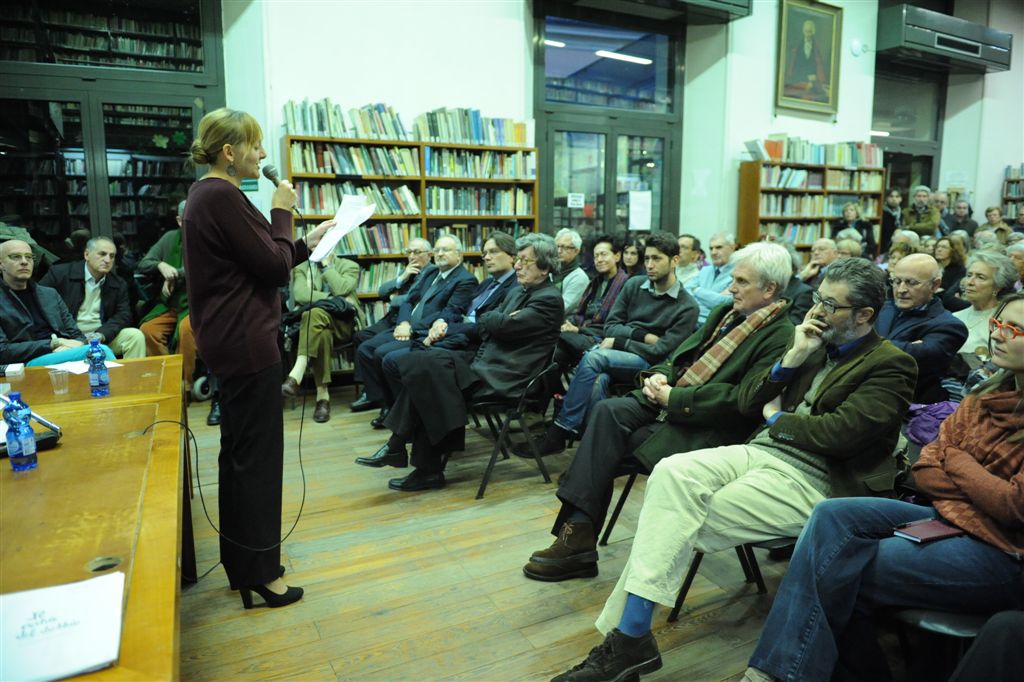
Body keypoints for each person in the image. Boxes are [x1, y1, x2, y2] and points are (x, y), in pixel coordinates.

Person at [549, 258, 917, 682]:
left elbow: (841, 435)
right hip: (762, 452)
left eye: (830, 305)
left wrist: (779, 420)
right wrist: (793, 357)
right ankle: (629, 641)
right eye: (816, 299)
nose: (816, 312)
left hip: (819, 482)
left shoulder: (892, 363)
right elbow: (751, 399)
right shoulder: (812, 342)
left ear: (864, 315)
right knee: (671, 473)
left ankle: (628, 641)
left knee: (670, 521)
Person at [742, 293, 1024, 682]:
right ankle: (784, 672)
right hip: (950, 517)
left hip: (1003, 551)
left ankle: (776, 674)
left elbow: (1012, 505)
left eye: (1015, 330)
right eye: (997, 323)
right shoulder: (984, 393)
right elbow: (923, 468)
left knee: (835, 568)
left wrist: (958, 463)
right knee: (830, 516)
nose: (999, 335)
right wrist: (972, 480)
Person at [522, 243, 795, 583]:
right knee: (606, 413)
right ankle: (577, 538)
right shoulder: (726, 313)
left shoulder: (781, 335)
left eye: (741, 281)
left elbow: (742, 400)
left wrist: (674, 396)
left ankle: (576, 541)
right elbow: (679, 355)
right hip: (672, 402)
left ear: (769, 289)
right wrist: (659, 375)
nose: (731, 287)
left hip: (705, 427)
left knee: (608, 443)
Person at [181, 107, 335, 609]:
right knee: (259, 465)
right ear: (230, 152)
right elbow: (271, 267)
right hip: (246, 343)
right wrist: (283, 209)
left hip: (230, 340)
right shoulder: (223, 195)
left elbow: (263, 259)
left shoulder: (206, 196)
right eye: (256, 146)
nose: (264, 155)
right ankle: (262, 575)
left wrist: (304, 244)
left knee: (241, 458)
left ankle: (244, 565)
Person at [355, 234, 564, 491]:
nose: (518, 266)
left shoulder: (549, 298)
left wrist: (498, 320)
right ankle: (402, 450)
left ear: (544, 267)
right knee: (422, 363)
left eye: (525, 261)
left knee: (430, 375)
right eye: (518, 260)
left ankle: (418, 462)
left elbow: (495, 323)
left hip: (506, 376)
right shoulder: (522, 291)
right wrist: (498, 320)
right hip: (484, 363)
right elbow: (491, 320)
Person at [523, 232, 699, 456]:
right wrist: (642, 335)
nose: (650, 265)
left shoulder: (687, 306)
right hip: (619, 355)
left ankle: (560, 429)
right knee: (597, 381)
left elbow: (661, 350)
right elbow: (610, 325)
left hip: (650, 365)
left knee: (594, 357)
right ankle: (591, 453)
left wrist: (621, 340)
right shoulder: (635, 285)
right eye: (647, 259)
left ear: (674, 260)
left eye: (657, 259)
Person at [366, 232, 519, 431]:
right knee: (380, 352)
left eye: (493, 252)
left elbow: (482, 326)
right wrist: (440, 322)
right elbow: (452, 310)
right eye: (485, 253)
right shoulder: (487, 283)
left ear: (512, 256)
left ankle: (414, 425)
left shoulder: (511, 288)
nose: (487, 257)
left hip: (470, 347)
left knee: (396, 360)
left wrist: (442, 327)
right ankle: (407, 422)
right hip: (448, 335)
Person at [351, 234, 477, 421]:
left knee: (381, 354)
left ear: (459, 255)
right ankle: (387, 404)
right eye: (437, 250)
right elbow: (408, 301)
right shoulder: (432, 273)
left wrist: (411, 328)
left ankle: (397, 411)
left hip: (424, 332)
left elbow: (449, 313)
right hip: (407, 325)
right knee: (366, 348)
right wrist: (403, 322)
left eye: (446, 250)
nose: (440, 253)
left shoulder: (465, 280)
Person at [0, 238, 115, 365]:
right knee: (99, 351)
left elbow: (77, 335)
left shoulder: (49, 294)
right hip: (28, 361)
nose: (24, 262)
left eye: (29, 257)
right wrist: (53, 343)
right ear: (1, 264)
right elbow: (2, 351)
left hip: (64, 353)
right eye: (15, 257)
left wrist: (72, 345)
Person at [348, 238, 432, 410]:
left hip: (406, 320)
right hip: (392, 318)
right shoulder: (409, 272)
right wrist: (402, 276)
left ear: (429, 255)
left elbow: (413, 300)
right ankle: (369, 388)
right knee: (360, 336)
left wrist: (396, 299)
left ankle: (376, 395)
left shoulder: (432, 273)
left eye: (417, 252)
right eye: (409, 252)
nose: (412, 256)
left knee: (370, 346)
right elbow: (382, 292)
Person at [279, 250, 362, 423]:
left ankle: (297, 372)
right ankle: (322, 396)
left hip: (343, 325)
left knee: (313, 313)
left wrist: (327, 266)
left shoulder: (349, 266)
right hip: (315, 327)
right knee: (318, 323)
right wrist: (334, 299)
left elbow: (342, 287)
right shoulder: (303, 266)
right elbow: (301, 294)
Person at [874, 254, 967, 402]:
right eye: (896, 281)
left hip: (907, 406)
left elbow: (911, 360)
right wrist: (906, 346)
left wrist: (865, 343)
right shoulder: (880, 308)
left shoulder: (950, 326)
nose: (901, 290)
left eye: (912, 283)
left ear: (935, 285)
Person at [39, 235, 146, 359]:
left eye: (112, 256)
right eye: (102, 254)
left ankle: (132, 378)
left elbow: (123, 315)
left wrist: (101, 334)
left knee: (135, 336)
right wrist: (63, 339)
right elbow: (40, 304)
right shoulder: (60, 274)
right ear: (86, 255)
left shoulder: (117, 283)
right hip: (68, 338)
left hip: (100, 336)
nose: (107, 260)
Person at [138, 200, 199, 392]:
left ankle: (185, 384)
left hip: (199, 304)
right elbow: (144, 263)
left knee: (185, 330)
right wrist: (161, 266)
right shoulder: (170, 238)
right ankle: (166, 379)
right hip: (171, 303)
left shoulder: (207, 237)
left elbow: (201, 269)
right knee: (148, 330)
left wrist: (174, 275)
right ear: (179, 220)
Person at [557, 234, 628, 365]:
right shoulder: (595, 283)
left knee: (555, 346)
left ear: (617, 256)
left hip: (602, 339)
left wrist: (578, 330)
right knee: (551, 346)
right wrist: (569, 325)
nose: (599, 260)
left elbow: (613, 326)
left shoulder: (626, 285)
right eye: (596, 256)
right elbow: (580, 313)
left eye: (603, 254)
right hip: (583, 333)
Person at [953, 252, 1018, 355]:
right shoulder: (954, 317)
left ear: (998, 286)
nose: (970, 282)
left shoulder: (1004, 322)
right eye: (969, 275)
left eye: (980, 277)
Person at [684, 232, 737, 325]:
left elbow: (725, 303)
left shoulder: (738, 272)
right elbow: (685, 292)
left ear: (732, 247)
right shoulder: (705, 270)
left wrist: (697, 290)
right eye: (711, 248)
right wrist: (714, 297)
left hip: (714, 326)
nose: (713, 252)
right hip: (691, 321)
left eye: (719, 247)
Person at [784, 19, 828, 102]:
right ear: (803, 31)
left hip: (813, 85)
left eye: (810, 32)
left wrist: (814, 80)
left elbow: (819, 70)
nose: (808, 34)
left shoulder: (817, 49)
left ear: (813, 32)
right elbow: (793, 70)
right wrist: (805, 78)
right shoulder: (797, 48)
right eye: (806, 31)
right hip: (799, 83)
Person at [553, 228, 589, 314]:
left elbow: (563, 307)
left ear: (576, 251)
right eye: (557, 246)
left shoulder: (579, 277)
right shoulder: (551, 270)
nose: (559, 251)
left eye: (565, 247)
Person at [933, 235, 968, 309]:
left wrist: (940, 292)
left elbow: (949, 295)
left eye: (944, 247)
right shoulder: (932, 266)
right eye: (938, 246)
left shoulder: (960, 270)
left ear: (953, 251)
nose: (939, 249)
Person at [880, 188, 902, 256]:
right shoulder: (881, 213)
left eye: (897, 196)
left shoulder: (902, 213)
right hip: (883, 246)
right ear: (886, 198)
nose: (894, 199)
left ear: (900, 199)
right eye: (891, 196)